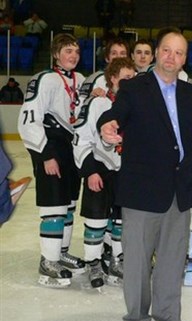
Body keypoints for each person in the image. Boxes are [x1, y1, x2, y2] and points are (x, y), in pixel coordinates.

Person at [98, 27, 192, 321]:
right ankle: (137, 318)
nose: (172, 57)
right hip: (142, 190)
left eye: (179, 52)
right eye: (167, 50)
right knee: (137, 261)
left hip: (179, 191)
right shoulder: (134, 88)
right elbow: (115, 115)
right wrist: (107, 126)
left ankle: (168, 319)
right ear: (156, 51)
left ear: (184, 59)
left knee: (171, 260)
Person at [18, 33, 86, 287]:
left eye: (77, 52)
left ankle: (61, 253)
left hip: (71, 148)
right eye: (68, 51)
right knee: (53, 207)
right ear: (56, 54)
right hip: (51, 146)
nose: (73, 56)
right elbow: (28, 120)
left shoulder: (79, 79)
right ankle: (48, 261)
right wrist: (45, 155)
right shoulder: (45, 78)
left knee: (68, 205)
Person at [73, 57, 135, 289]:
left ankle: (117, 260)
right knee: (96, 219)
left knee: (121, 220)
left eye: (133, 78)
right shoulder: (96, 104)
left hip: (125, 172)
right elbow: (81, 139)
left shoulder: (134, 105)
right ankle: (93, 262)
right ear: (112, 79)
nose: (129, 83)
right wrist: (90, 171)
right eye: (125, 78)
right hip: (99, 168)